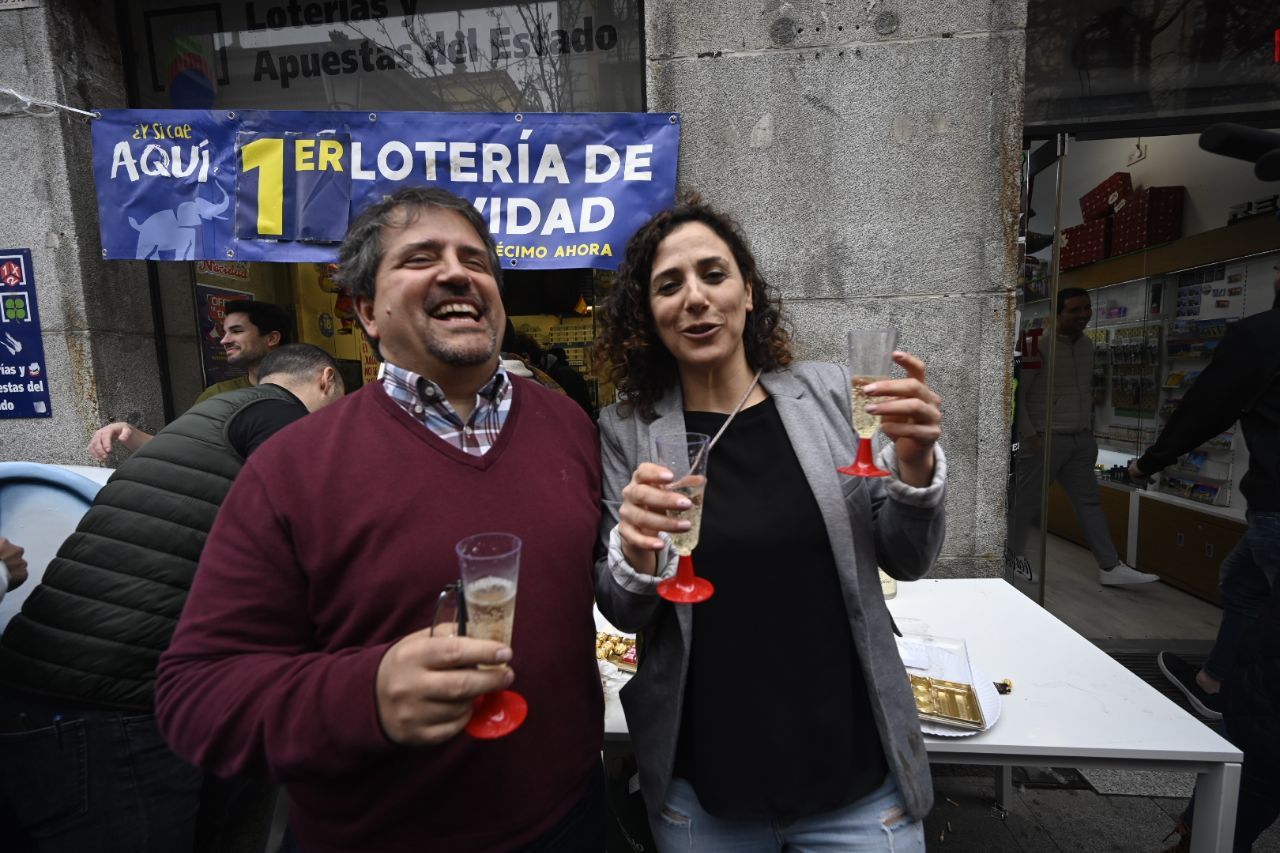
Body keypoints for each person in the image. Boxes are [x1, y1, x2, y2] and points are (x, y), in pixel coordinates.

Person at [154, 187, 606, 852]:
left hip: (571, 820)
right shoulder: (293, 466)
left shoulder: (568, 425)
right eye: (421, 257)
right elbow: (196, 693)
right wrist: (365, 695)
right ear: (367, 309)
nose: (457, 272)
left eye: (476, 261)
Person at [593, 197, 945, 850]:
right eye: (669, 285)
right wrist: (637, 552)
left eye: (713, 274)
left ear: (748, 292)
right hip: (705, 795)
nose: (695, 297)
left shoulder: (829, 395)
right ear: (649, 313)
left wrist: (917, 467)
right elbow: (622, 608)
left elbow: (905, 555)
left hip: (861, 784)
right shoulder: (627, 432)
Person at [0, 344, 344, 853]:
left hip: (51, 686)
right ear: (327, 380)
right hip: (107, 705)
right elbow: (321, 520)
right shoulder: (277, 412)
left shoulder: (204, 421)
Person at [1127, 281, 1280, 720]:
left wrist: (1150, 462)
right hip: (1270, 505)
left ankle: (1241, 707)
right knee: (1243, 582)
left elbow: (1207, 407)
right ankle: (1216, 679)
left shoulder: (1263, 334)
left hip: (1276, 502)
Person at [1012, 287, 1160, 586]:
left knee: (1089, 503)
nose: (1083, 315)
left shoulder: (1087, 345)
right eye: (1075, 310)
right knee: (1026, 503)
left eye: (1086, 308)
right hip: (1044, 437)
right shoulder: (1034, 343)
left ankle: (1109, 567)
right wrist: (1030, 436)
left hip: (1080, 439)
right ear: (1058, 313)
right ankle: (1011, 558)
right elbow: (1018, 394)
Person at [87, 300, 293, 460]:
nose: (224, 340)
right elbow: (177, 447)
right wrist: (127, 431)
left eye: (237, 331)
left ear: (272, 338)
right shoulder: (218, 395)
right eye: (225, 332)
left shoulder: (309, 389)